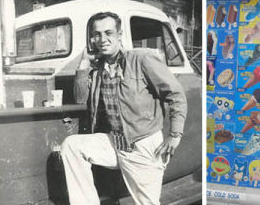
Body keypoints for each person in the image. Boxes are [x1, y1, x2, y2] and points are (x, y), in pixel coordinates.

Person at [60, 12, 187, 205]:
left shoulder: (141, 59)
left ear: (120, 35)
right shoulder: (97, 69)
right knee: (72, 146)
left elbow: (175, 94)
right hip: (115, 143)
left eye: (109, 32)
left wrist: (175, 134)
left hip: (143, 144)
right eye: (97, 34)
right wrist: (84, 62)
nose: (102, 39)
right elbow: (80, 98)